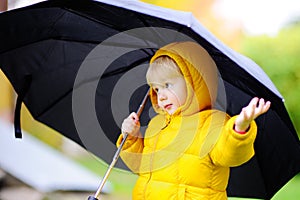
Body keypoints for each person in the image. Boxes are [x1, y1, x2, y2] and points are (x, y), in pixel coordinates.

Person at [117, 41, 271, 200]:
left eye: (167, 85)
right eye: (156, 88)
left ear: (193, 83)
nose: (160, 96)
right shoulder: (157, 124)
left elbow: (229, 155)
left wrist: (239, 128)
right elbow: (141, 167)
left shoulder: (212, 123)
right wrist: (132, 138)